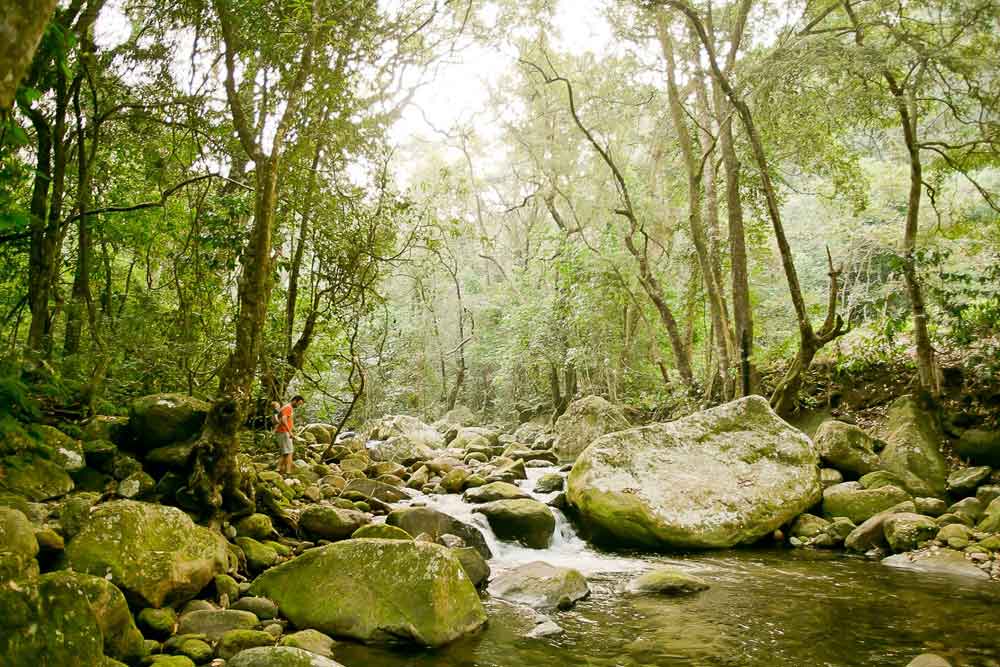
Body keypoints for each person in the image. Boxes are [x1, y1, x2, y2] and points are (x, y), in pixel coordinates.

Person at [274, 395, 304, 474]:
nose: (299, 405)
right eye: (299, 403)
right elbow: (284, 420)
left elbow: (286, 420)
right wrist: (289, 432)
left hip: (282, 432)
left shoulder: (286, 407)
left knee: (285, 452)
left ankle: (278, 469)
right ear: (295, 401)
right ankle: (288, 471)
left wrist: (292, 430)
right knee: (290, 452)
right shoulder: (288, 407)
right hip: (284, 432)